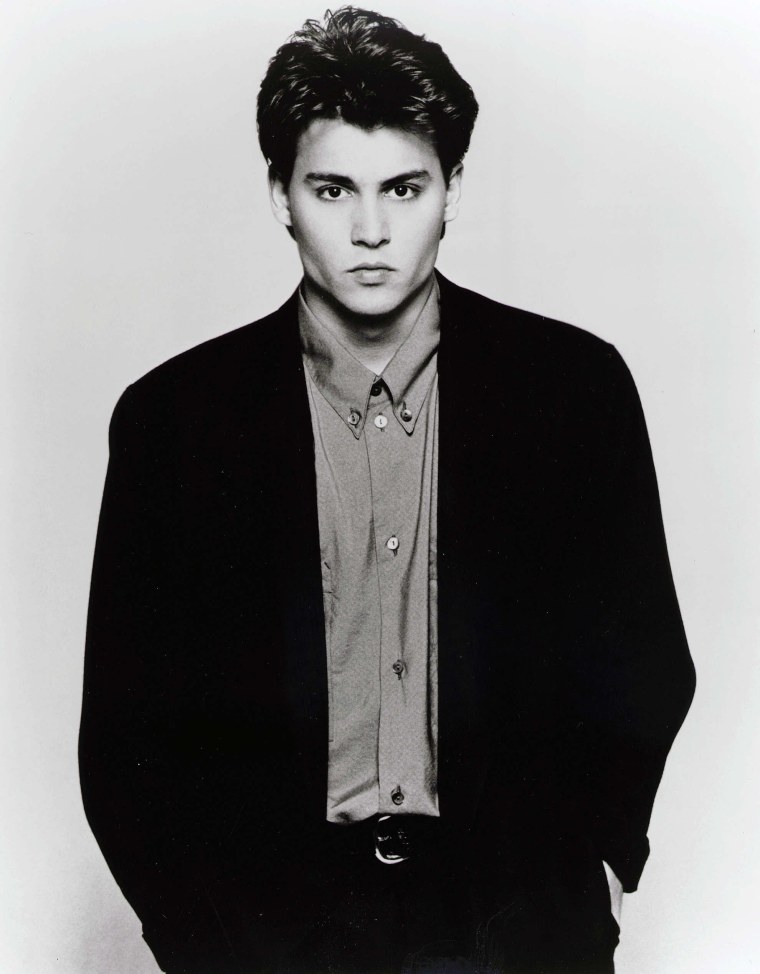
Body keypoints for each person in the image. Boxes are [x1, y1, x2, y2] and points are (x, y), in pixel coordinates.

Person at [79, 8, 696, 973]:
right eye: (333, 189)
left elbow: (647, 659)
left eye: (403, 188)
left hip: (513, 922)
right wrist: (197, 931)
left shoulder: (575, 392)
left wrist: (602, 857)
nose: (370, 231)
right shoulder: (173, 421)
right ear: (281, 194)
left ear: (453, 189)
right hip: (269, 934)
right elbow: (124, 725)